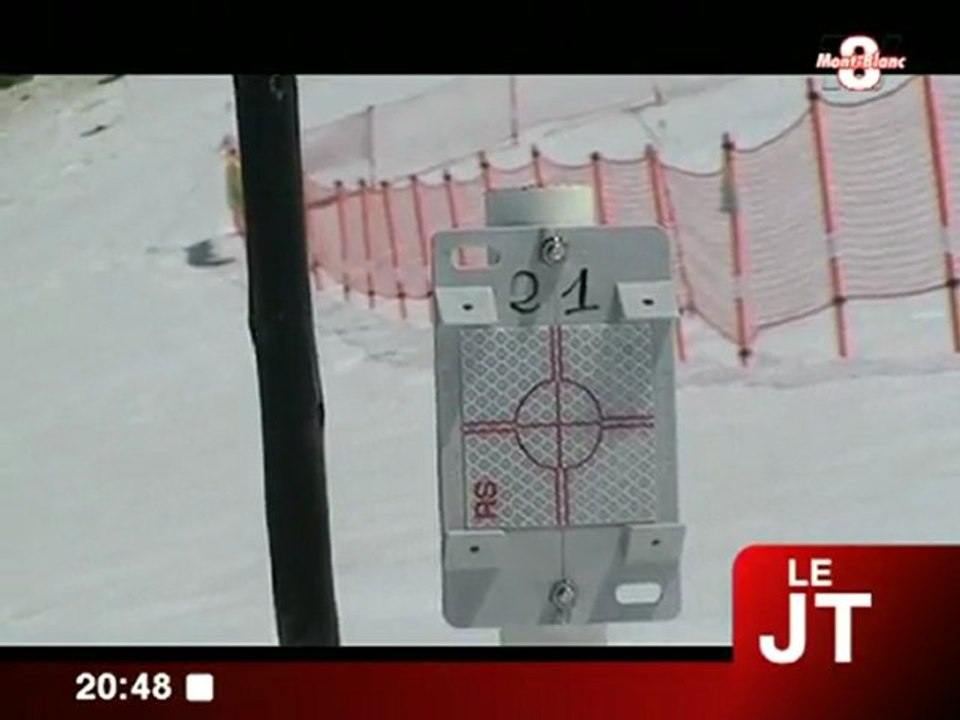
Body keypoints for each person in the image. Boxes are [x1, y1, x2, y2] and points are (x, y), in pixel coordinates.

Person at [220, 134, 245, 236]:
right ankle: (240, 228)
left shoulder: (233, 161)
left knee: (238, 209)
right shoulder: (231, 159)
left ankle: (240, 228)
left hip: (235, 185)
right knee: (237, 209)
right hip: (233, 185)